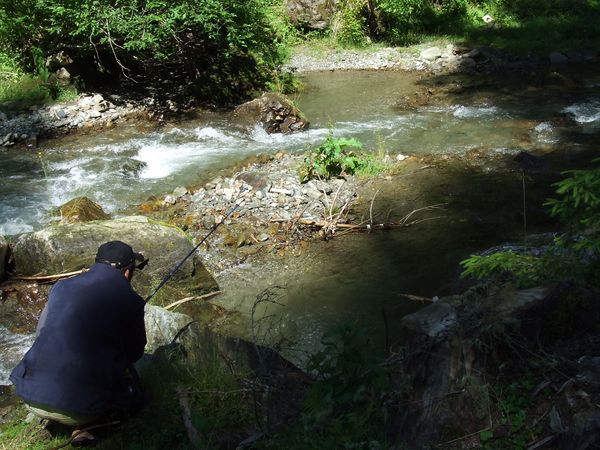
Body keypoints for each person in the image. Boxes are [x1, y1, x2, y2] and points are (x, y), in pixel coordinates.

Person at [10, 240, 148, 443]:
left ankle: (61, 418)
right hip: (78, 409)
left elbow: (41, 333)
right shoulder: (131, 300)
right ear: (127, 272)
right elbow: (134, 353)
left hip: (29, 394)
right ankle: (84, 426)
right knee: (136, 393)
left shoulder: (61, 286)